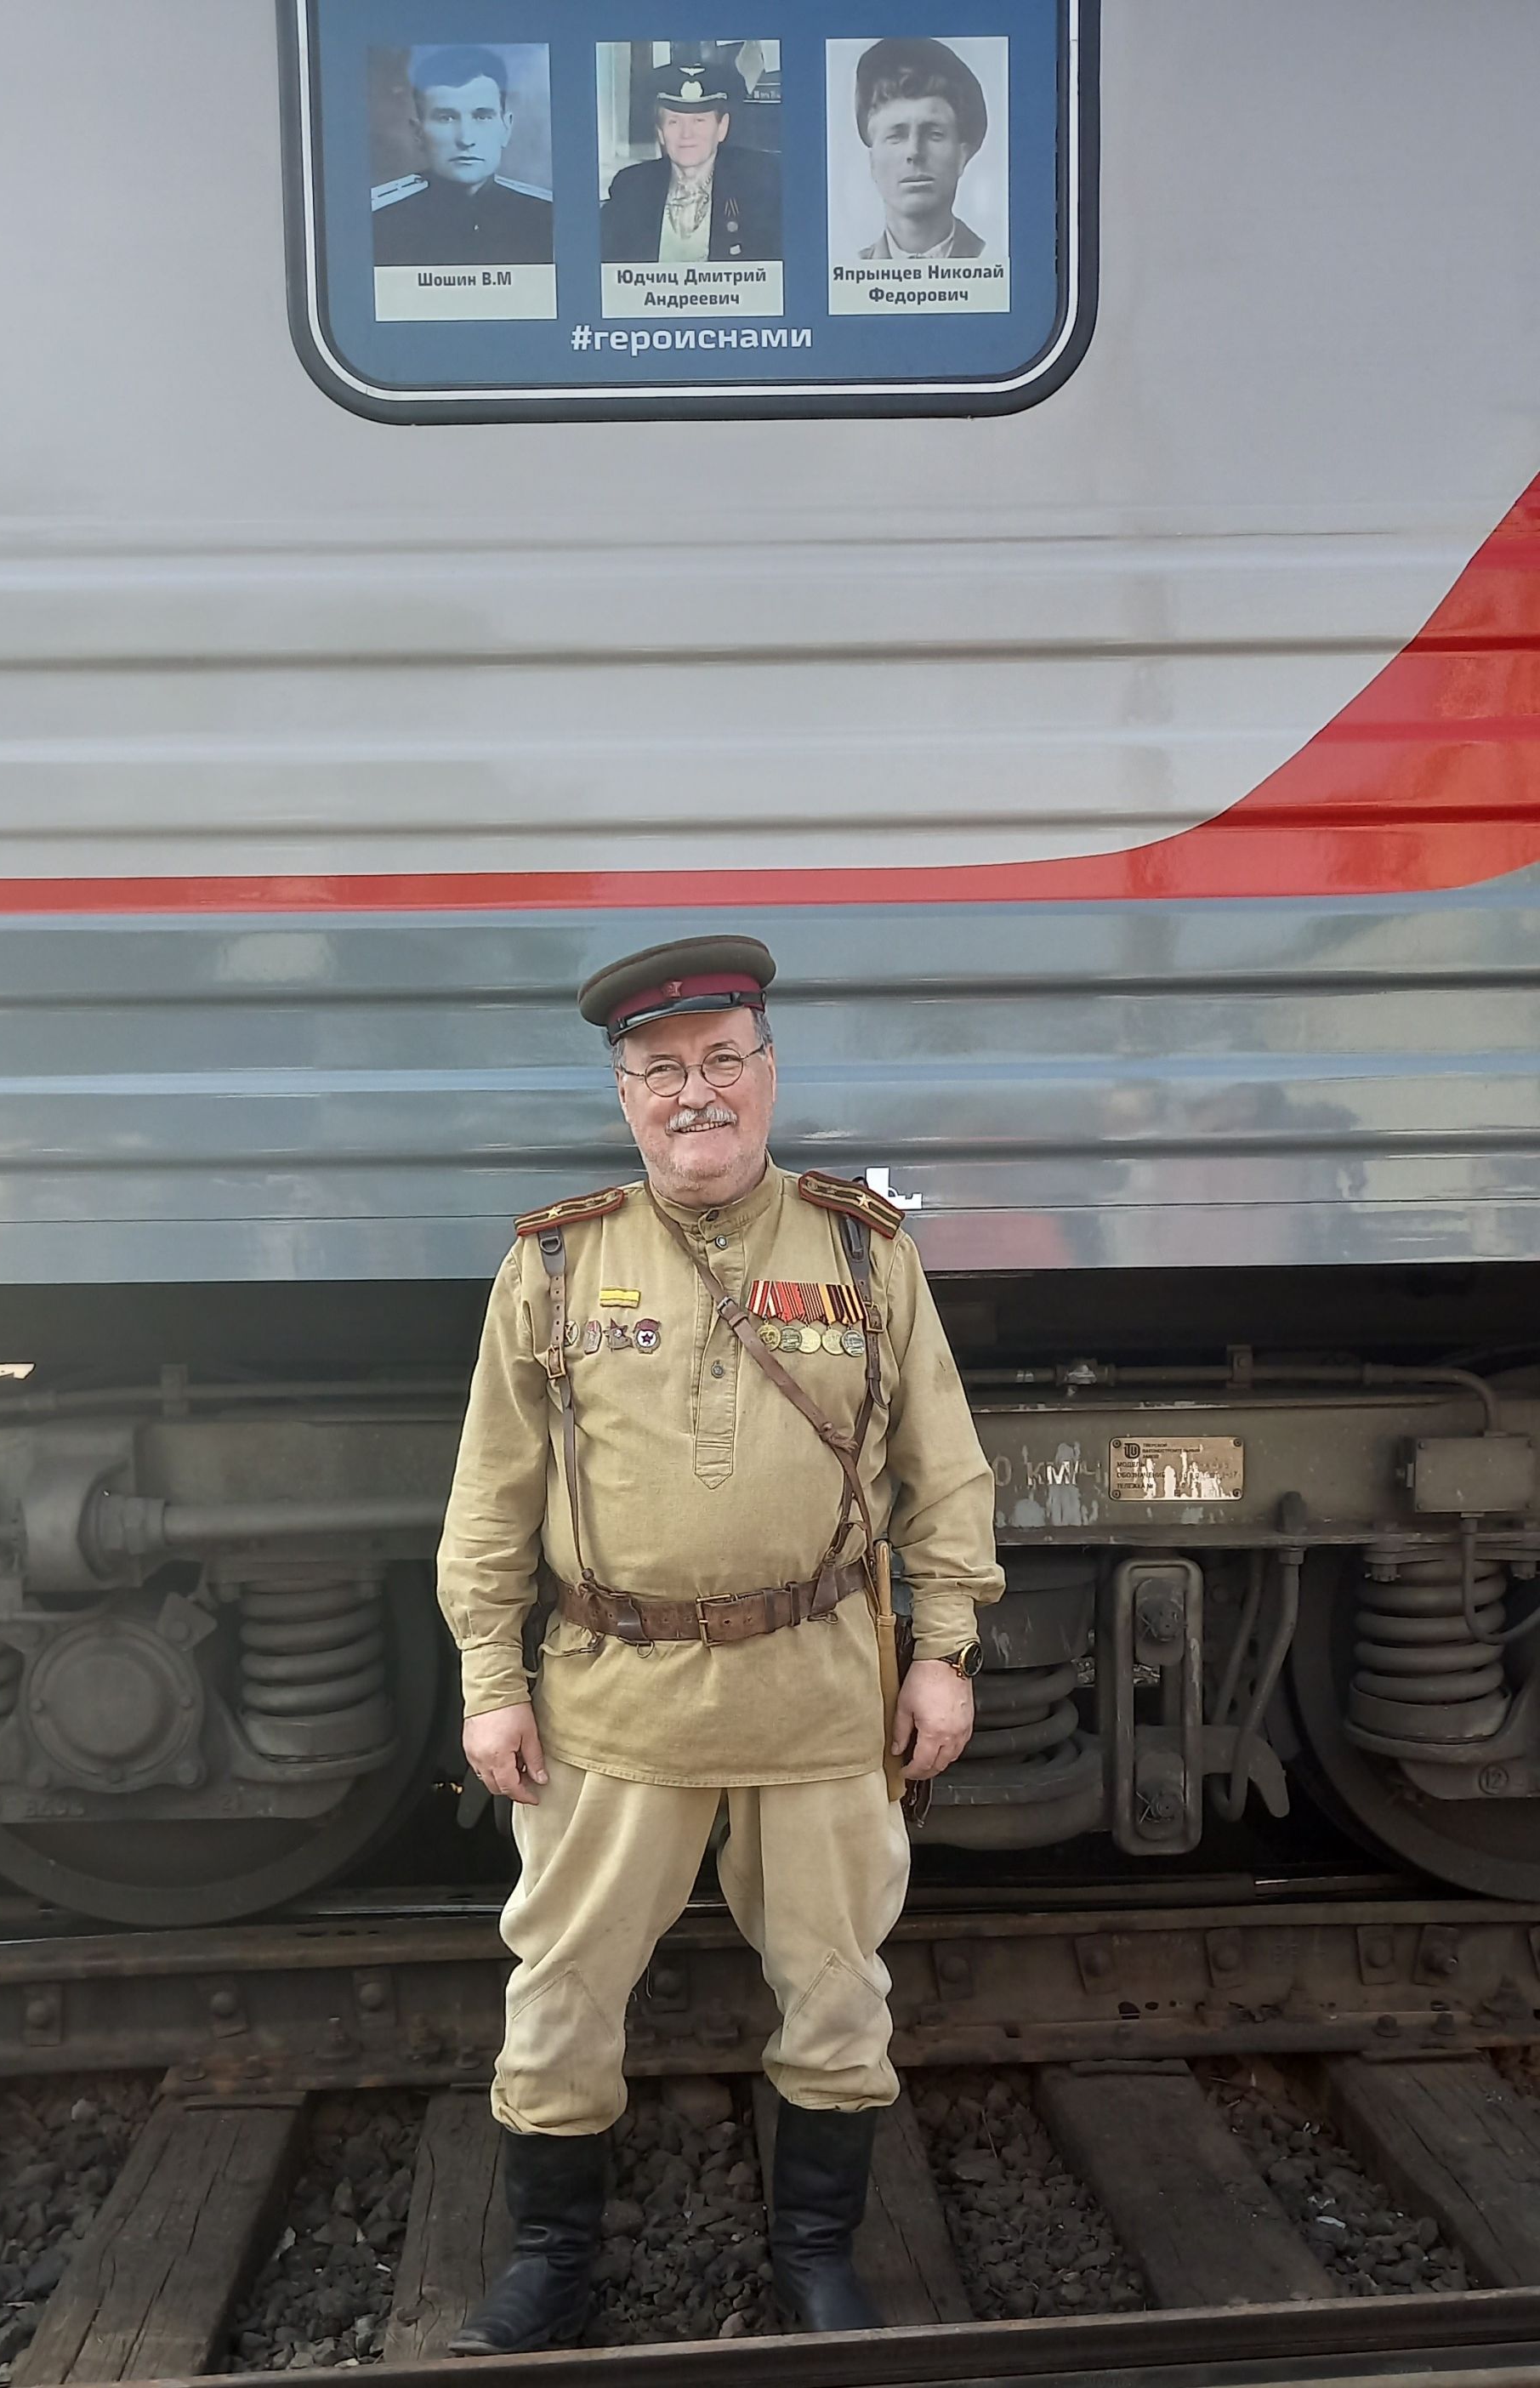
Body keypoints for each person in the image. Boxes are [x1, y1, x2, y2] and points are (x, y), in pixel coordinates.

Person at [436, 933, 1003, 2354]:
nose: (696, 1091)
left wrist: (943, 1651)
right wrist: (492, 1679)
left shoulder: (864, 1251)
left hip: (820, 1697)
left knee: (838, 1990)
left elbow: (946, 1474)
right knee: (563, 1989)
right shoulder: (558, 1261)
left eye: (722, 1060)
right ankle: (551, 2262)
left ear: (768, 1072)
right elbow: (491, 1493)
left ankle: (816, 2254)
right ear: (626, 1096)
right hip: (613, 1701)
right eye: (661, 1070)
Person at [373, 44, 553, 267]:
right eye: (446, 118)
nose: (466, 139)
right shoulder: (380, 223)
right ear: (418, 133)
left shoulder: (547, 218)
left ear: (506, 128)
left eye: (482, 117)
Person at [600, 60, 781, 264]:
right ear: (660, 132)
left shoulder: (758, 187)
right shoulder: (631, 189)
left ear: (722, 128)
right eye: (674, 122)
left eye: (699, 121)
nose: (687, 134)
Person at [851, 37, 987, 260]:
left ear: (962, 156)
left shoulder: (992, 258)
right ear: (873, 162)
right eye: (896, 136)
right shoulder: (852, 268)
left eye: (934, 135)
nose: (914, 152)